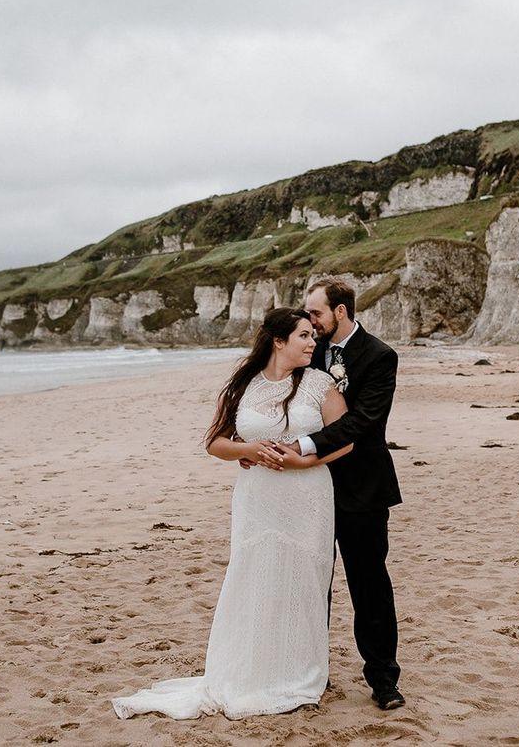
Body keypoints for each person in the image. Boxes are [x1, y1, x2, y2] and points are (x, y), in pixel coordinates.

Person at [111, 307, 353, 720]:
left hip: (309, 493)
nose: (314, 343)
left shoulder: (320, 384)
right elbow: (215, 442)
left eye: (314, 335)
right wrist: (248, 450)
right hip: (258, 496)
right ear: (279, 341)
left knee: (304, 579)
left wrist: (303, 462)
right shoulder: (243, 386)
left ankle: (298, 672)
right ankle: (251, 670)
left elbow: (345, 441)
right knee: (254, 574)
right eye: (305, 336)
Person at [288, 278, 405, 711]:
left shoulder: (379, 356)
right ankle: (308, 673)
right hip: (307, 487)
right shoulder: (306, 351)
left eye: (316, 313)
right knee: (311, 583)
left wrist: (303, 445)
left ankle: (383, 680)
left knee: (369, 584)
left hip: (364, 487)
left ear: (340, 311)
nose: (310, 321)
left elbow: (364, 422)